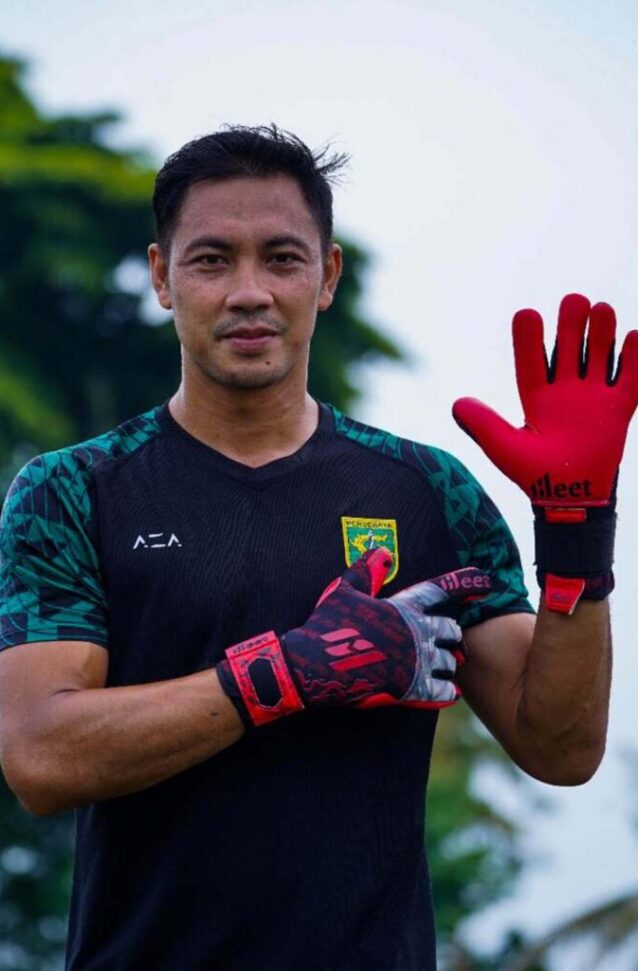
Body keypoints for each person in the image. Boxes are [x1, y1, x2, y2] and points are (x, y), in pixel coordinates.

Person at [0, 125, 635, 971]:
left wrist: (578, 535)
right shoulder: (73, 490)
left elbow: (561, 747)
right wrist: (285, 674)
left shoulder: (426, 490)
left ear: (327, 275)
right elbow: (41, 754)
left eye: (283, 258)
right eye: (212, 259)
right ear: (161, 275)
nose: (249, 291)